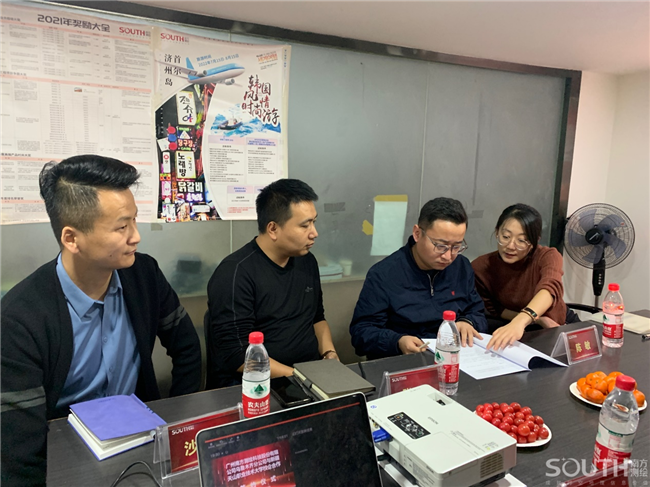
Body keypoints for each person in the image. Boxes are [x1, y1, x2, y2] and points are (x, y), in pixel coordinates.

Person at [1, 155, 202, 487]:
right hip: (66, 460)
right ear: (71, 239)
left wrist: (177, 428)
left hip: (144, 449)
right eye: (122, 227)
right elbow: (19, 452)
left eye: (134, 221)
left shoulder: (144, 275)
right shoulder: (20, 319)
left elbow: (187, 349)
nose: (136, 237)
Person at [206, 179, 338, 389]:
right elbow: (236, 355)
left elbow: (316, 317)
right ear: (273, 229)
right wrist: (301, 378)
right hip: (259, 385)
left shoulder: (306, 261)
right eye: (305, 225)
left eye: (314, 222)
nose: (314, 233)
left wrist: (329, 354)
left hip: (309, 376)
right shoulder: (235, 273)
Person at [349, 197, 488, 360]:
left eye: (456, 246)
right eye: (440, 246)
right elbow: (361, 332)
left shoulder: (461, 267)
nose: (448, 256)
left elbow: (477, 312)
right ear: (417, 233)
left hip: (454, 358)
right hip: (403, 361)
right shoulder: (384, 274)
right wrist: (397, 341)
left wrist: (468, 322)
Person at [471, 203, 577, 351]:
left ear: (534, 242)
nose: (510, 246)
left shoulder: (547, 256)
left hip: (558, 321)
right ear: (497, 232)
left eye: (521, 240)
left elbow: (549, 289)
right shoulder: (481, 266)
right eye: (505, 237)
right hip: (519, 326)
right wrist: (537, 320)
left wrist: (522, 320)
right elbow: (495, 309)